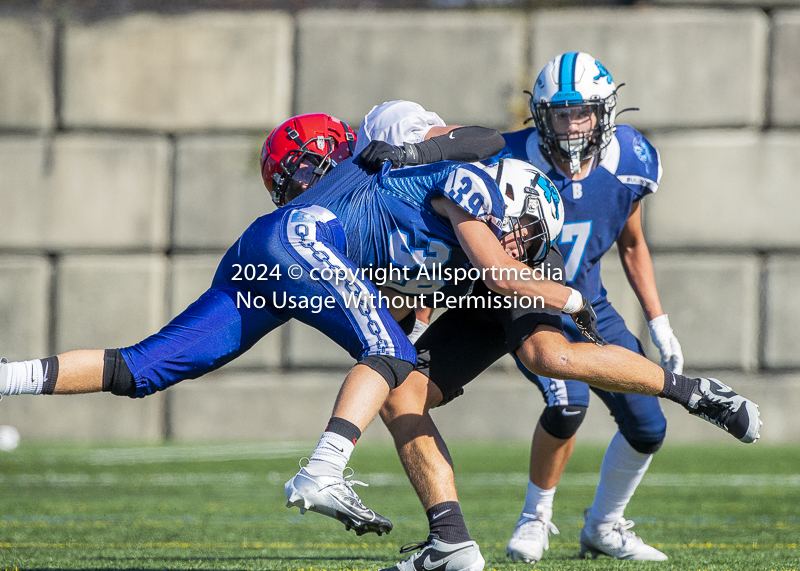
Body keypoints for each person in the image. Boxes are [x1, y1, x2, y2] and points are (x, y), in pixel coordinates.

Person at [0, 111, 600, 540]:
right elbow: (480, 161)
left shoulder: (395, 193)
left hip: (267, 252)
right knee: (390, 354)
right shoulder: (422, 167)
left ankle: (8, 378)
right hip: (300, 239)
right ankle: (323, 470)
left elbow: (400, 284)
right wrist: (571, 297)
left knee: (139, 370)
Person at [352, 100, 761, 571]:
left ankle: (693, 392)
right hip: (478, 297)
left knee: (548, 355)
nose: (518, 240)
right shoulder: (425, 206)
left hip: (520, 275)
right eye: (523, 230)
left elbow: (506, 270)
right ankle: (450, 540)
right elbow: (410, 289)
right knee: (399, 396)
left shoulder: (502, 230)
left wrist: (579, 300)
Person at [500, 51, 683, 562]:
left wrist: (658, 321)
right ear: (541, 115)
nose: (572, 124)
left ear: (605, 113)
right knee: (567, 403)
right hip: (532, 309)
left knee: (648, 426)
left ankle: (603, 527)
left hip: (592, 307)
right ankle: (535, 516)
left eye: (583, 112)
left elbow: (631, 242)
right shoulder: (507, 161)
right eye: (560, 113)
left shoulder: (632, 160)